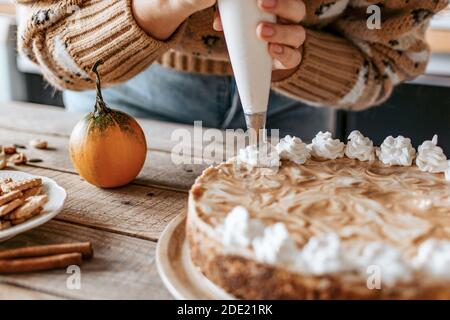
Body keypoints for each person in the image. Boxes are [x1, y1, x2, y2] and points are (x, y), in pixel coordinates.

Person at [16, 0, 448, 139]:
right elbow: (51, 50)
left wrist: (300, 60)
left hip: (297, 109)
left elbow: (383, 65)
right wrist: (156, 9)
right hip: (124, 100)